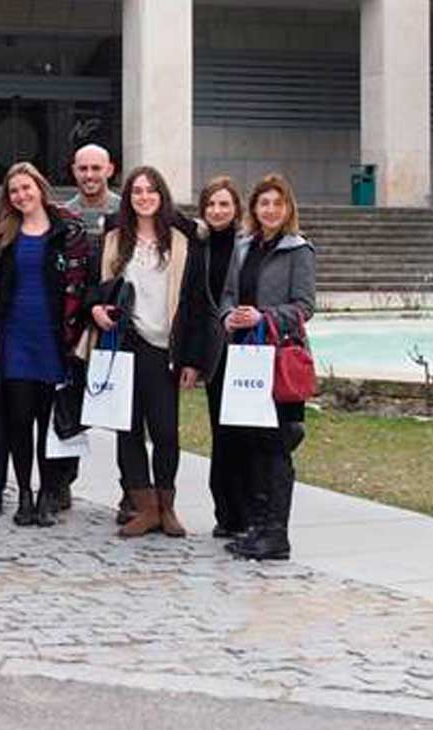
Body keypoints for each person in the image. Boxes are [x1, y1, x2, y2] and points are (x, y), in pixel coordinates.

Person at [0, 162, 93, 527]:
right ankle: (22, 492)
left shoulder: (68, 230)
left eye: (27, 188)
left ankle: (47, 494)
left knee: (47, 420)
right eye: (14, 191)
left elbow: (82, 283)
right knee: (19, 419)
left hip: (55, 337)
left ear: (40, 187)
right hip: (15, 336)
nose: (22, 196)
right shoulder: (1, 235)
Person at [88, 165, 205, 539]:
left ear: (162, 195)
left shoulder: (183, 239)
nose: (143, 197)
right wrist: (96, 310)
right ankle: (145, 507)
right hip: (126, 343)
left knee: (166, 431)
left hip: (166, 347)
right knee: (129, 429)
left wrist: (193, 359)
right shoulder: (113, 239)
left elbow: (198, 302)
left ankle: (167, 505)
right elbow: (94, 288)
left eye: (151, 190)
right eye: (136, 191)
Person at [220, 173, 316, 562]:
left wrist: (263, 316)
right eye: (264, 203)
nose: (271, 210)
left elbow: (305, 306)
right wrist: (229, 317)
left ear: (287, 208)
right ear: (255, 209)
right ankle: (257, 525)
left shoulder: (299, 250)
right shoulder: (243, 247)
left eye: (278, 203)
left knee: (278, 445)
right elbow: (227, 294)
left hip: (280, 357)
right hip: (246, 355)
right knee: (251, 442)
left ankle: (277, 533)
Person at [187, 176, 246, 539]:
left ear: (236, 208)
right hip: (215, 352)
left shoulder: (249, 244)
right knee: (221, 433)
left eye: (224, 204)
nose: (217, 211)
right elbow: (193, 302)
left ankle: (248, 509)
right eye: (211, 204)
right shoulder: (199, 245)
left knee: (246, 433)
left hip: (246, 348)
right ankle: (226, 513)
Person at [62, 142, 119, 517]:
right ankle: (59, 483)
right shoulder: (64, 214)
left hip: (117, 322)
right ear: (74, 171)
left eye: (96, 168)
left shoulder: (127, 210)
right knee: (65, 406)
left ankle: (134, 491)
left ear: (110, 170)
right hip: (74, 323)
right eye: (83, 169)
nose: (90, 176)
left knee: (126, 410)